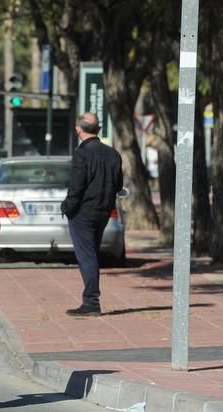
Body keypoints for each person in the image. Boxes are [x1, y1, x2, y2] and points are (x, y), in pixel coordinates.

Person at [61, 112, 123, 316]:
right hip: (104, 211)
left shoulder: (81, 154)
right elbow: (118, 184)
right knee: (92, 254)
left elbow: (76, 186)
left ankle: (91, 302)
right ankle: (91, 300)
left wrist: (68, 208)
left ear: (78, 130)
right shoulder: (113, 154)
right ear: (99, 129)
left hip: (83, 212)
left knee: (87, 256)